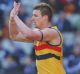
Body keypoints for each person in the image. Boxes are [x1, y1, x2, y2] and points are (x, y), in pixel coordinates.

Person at [9, 1, 66, 74]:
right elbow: (14, 36)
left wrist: (15, 16)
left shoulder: (52, 32)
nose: (32, 19)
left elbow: (29, 34)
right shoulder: (38, 35)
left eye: (35, 16)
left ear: (45, 17)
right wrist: (12, 19)